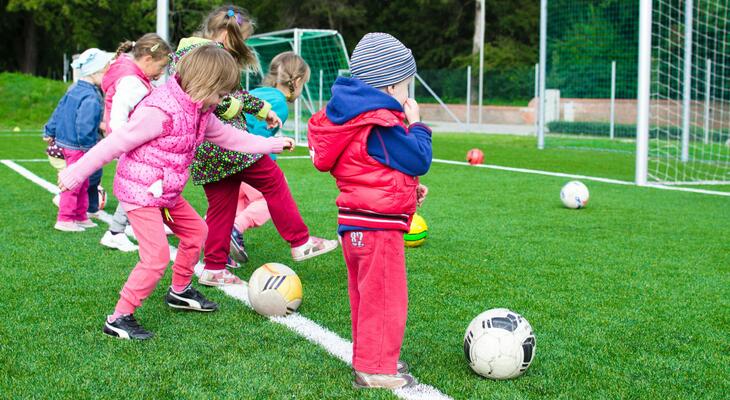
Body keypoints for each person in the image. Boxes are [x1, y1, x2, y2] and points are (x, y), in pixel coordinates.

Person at [57, 45, 295, 340]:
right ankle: (118, 318)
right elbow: (115, 143)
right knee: (156, 258)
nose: (224, 101)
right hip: (140, 193)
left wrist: (270, 144)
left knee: (197, 232)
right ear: (204, 84)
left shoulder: (201, 110)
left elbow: (229, 137)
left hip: (165, 192)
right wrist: (75, 173)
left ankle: (179, 292)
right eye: (221, 94)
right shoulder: (159, 111)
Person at [171, 5, 337, 288]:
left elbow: (234, 94)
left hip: (206, 151)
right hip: (226, 144)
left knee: (222, 206)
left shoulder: (191, 51)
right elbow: (216, 100)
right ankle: (300, 241)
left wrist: (262, 110)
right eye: (241, 39)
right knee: (273, 180)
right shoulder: (205, 55)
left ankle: (213, 267)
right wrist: (241, 110)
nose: (242, 46)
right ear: (226, 34)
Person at [308, 33, 432, 389]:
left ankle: (371, 357)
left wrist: (408, 192)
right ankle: (375, 369)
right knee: (385, 298)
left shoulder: (353, 119)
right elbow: (418, 157)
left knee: (366, 297)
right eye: (407, 86)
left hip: (356, 223)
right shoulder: (379, 123)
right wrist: (418, 124)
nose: (408, 95)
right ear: (391, 85)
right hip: (377, 230)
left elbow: (371, 168)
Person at [229, 51, 311, 263]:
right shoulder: (280, 105)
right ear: (298, 81)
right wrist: (275, 146)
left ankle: (216, 242)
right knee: (270, 199)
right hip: (246, 158)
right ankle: (235, 229)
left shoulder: (259, 92)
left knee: (232, 204)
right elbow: (256, 138)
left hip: (226, 156)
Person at [98, 33, 172, 253]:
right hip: (130, 144)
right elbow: (119, 117)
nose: (160, 75)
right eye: (161, 67)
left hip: (131, 142)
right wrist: (126, 143)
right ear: (147, 60)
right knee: (139, 186)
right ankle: (115, 232)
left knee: (147, 184)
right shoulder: (132, 82)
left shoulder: (133, 75)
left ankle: (131, 226)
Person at [44, 48, 113, 232]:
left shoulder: (74, 89)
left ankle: (80, 216)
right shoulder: (91, 96)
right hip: (79, 146)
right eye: (106, 72)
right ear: (95, 72)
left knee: (83, 181)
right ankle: (65, 218)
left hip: (69, 143)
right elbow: (84, 125)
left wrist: (49, 130)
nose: (107, 76)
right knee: (75, 182)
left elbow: (59, 110)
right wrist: (89, 148)